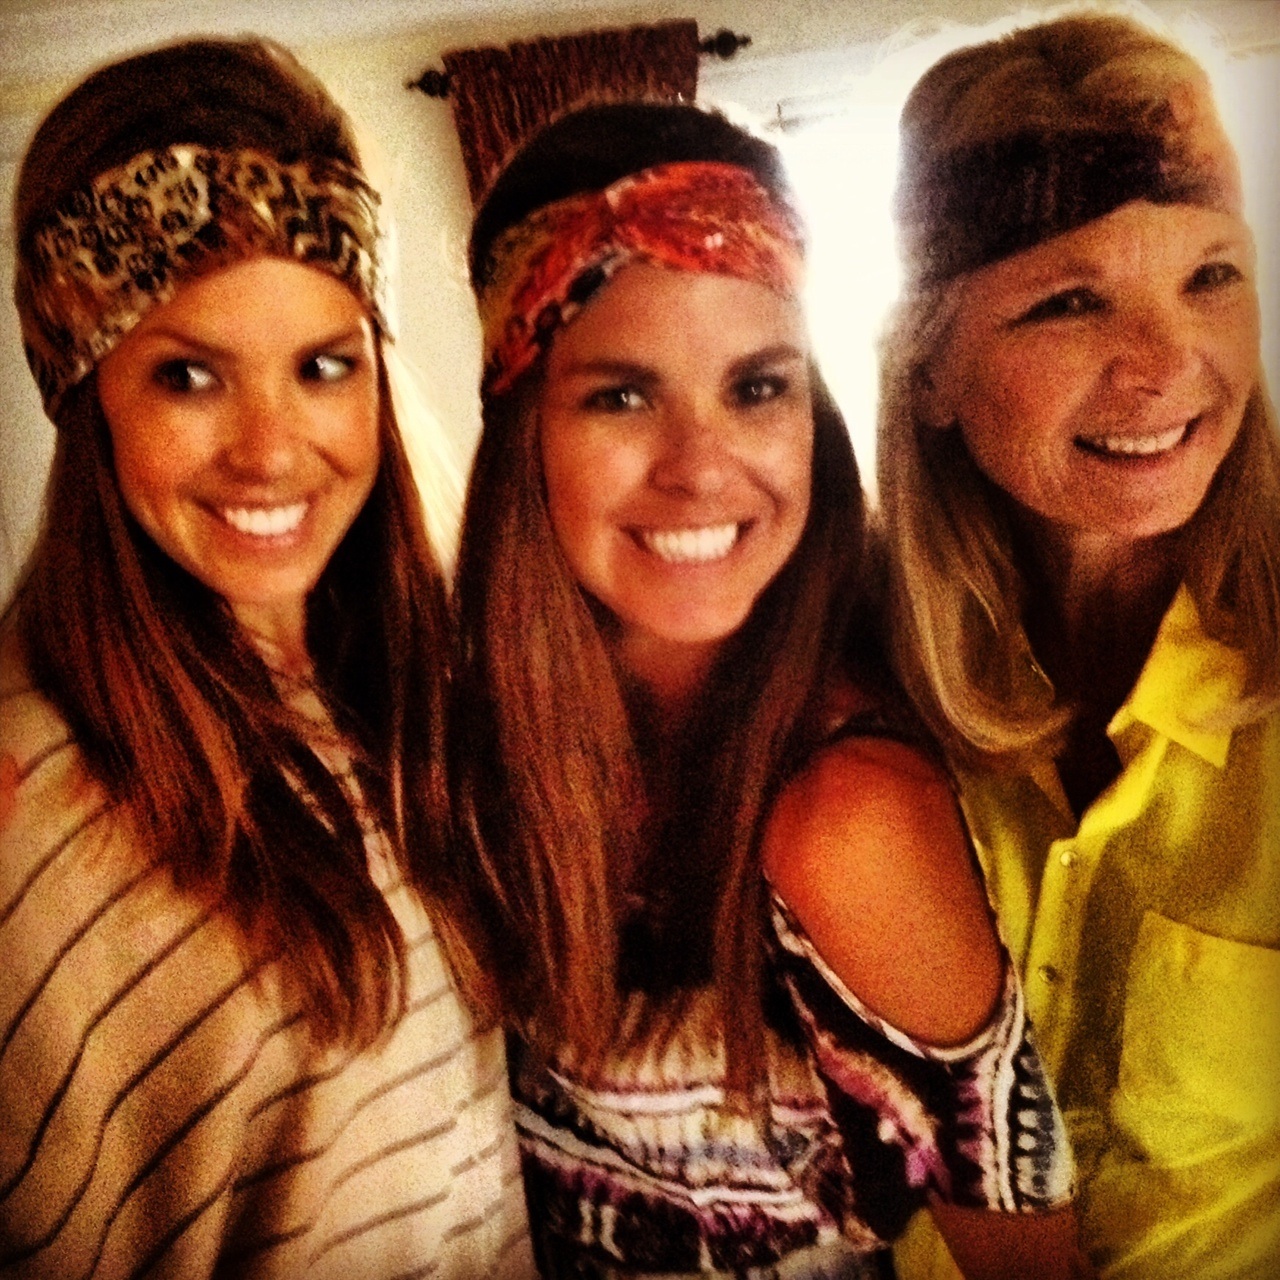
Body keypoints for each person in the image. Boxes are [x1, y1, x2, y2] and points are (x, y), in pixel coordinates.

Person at [448, 100, 1089, 1279]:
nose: (701, 467)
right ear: (521, 428)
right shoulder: (461, 741)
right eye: (620, 394)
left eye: (755, 387)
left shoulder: (845, 820)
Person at [0, 37, 533, 1279]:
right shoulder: (34, 806)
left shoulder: (411, 680)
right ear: (84, 388)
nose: (273, 448)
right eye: (189, 375)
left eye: (323, 367)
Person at [875, 12, 1280, 1280]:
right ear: (930, 371)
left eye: (1210, 277)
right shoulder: (839, 665)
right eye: (1068, 300)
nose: (1166, 363)